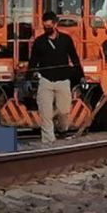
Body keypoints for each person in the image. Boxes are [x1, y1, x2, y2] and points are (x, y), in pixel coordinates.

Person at [27, 11, 84, 143]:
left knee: (64, 111)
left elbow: (74, 58)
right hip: (45, 81)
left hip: (63, 81)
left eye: (49, 26)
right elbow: (33, 61)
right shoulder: (39, 42)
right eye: (44, 26)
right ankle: (48, 142)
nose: (47, 29)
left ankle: (63, 130)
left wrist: (81, 76)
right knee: (45, 114)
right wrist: (28, 78)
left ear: (55, 24)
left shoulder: (66, 40)